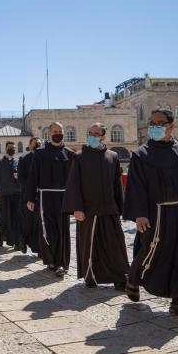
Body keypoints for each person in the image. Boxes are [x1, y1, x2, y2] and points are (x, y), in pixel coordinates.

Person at [123, 109, 178, 317]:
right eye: (152, 123)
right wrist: (140, 214)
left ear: (171, 125)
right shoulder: (141, 154)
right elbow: (136, 187)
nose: (155, 126)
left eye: (160, 122)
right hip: (156, 212)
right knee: (152, 250)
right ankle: (133, 278)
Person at [63, 123, 130, 289]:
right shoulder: (79, 156)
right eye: (90, 133)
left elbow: (117, 185)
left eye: (96, 133)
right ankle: (90, 276)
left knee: (115, 244)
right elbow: (74, 184)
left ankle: (121, 278)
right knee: (90, 244)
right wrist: (77, 208)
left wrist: (121, 209)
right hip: (88, 209)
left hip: (109, 209)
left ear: (103, 136)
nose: (92, 136)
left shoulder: (113, 156)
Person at [24, 122, 75, 277]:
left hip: (63, 197)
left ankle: (61, 263)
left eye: (60, 131)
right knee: (47, 230)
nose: (58, 133)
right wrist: (30, 198)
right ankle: (51, 259)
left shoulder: (69, 153)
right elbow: (33, 177)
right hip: (45, 197)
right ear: (49, 133)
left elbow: (74, 180)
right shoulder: (40, 153)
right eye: (55, 131)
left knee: (63, 230)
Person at [0, 141, 22, 249]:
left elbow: (23, 178)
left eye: (13, 147)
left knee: (16, 219)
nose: (12, 149)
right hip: (5, 195)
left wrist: (19, 177)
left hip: (17, 195)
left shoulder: (18, 161)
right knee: (4, 219)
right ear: (5, 148)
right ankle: (1, 237)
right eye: (10, 147)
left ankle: (17, 242)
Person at [17, 137, 41, 254]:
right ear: (30, 145)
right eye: (35, 143)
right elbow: (20, 179)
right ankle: (23, 239)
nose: (37, 145)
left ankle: (37, 247)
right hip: (27, 195)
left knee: (38, 222)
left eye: (39, 143)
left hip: (40, 195)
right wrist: (30, 188)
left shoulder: (43, 158)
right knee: (27, 222)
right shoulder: (24, 159)